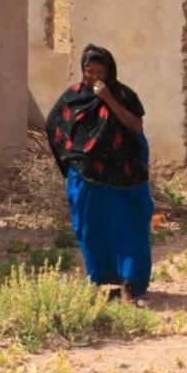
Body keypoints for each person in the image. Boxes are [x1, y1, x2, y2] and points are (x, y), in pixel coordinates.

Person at [45, 44, 153, 305]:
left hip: (124, 178)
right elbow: (53, 124)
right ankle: (101, 281)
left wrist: (109, 99)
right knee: (92, 229)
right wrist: (71, 157)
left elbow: (135, 126)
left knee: (128, 229)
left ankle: (130, 285)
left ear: (109, 71)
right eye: (88, 71)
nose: (93, 77)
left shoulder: (124, 95)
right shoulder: (73, 96)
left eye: (99, 72)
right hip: (87, 178)